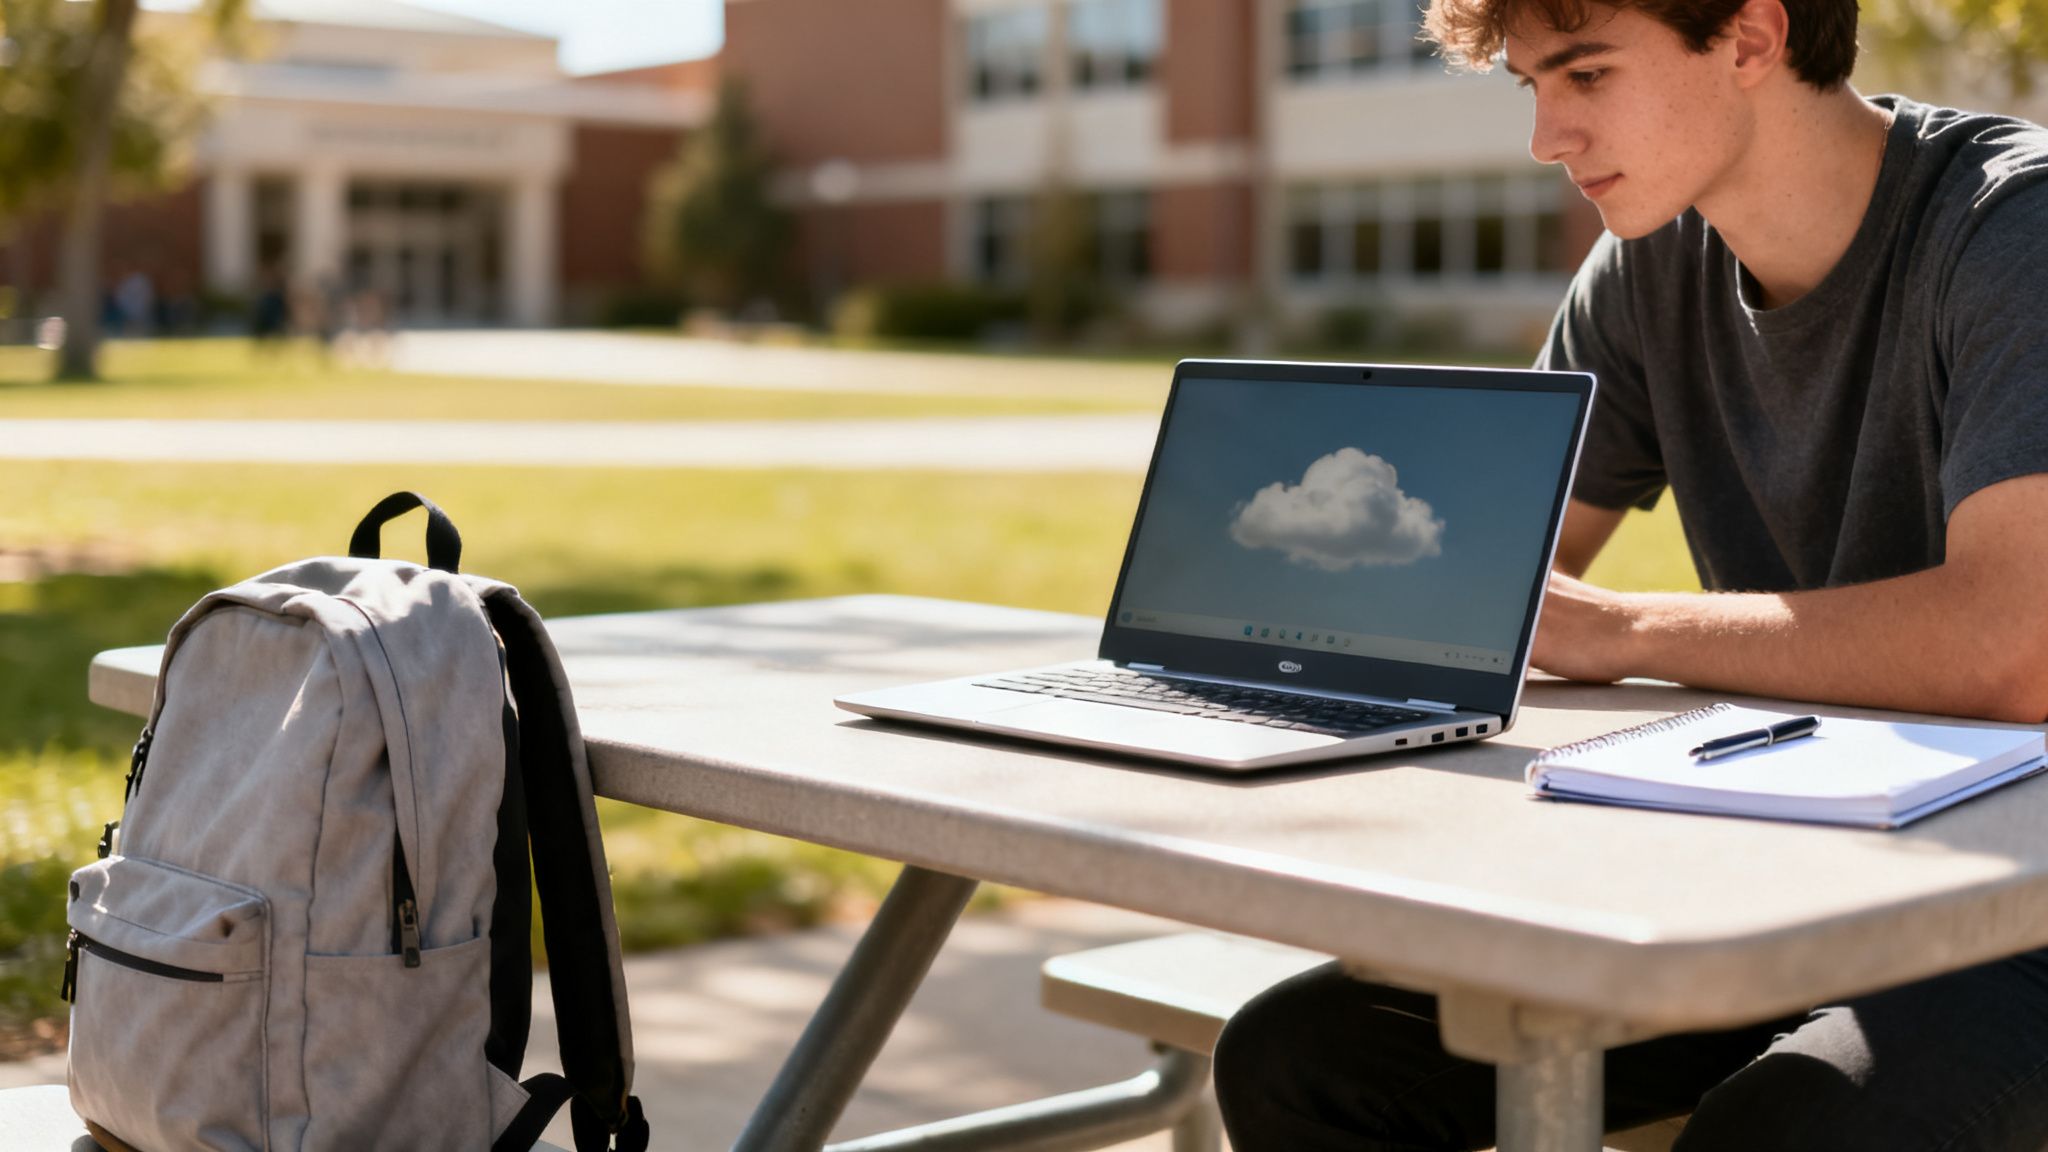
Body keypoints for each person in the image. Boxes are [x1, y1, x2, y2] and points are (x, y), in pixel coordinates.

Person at [1213, 1, 2048, 1149]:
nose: (1546, 135)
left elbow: (2012, 648)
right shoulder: (1649, 264)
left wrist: (1622, 629)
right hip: (1801, 877)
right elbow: (1494, 580)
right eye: (1530, 87)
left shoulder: (2012, 230)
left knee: (1786, 1130)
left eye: (1587, 74)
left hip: (2015, 905)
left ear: (1751, 38)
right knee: (1298, 1060)